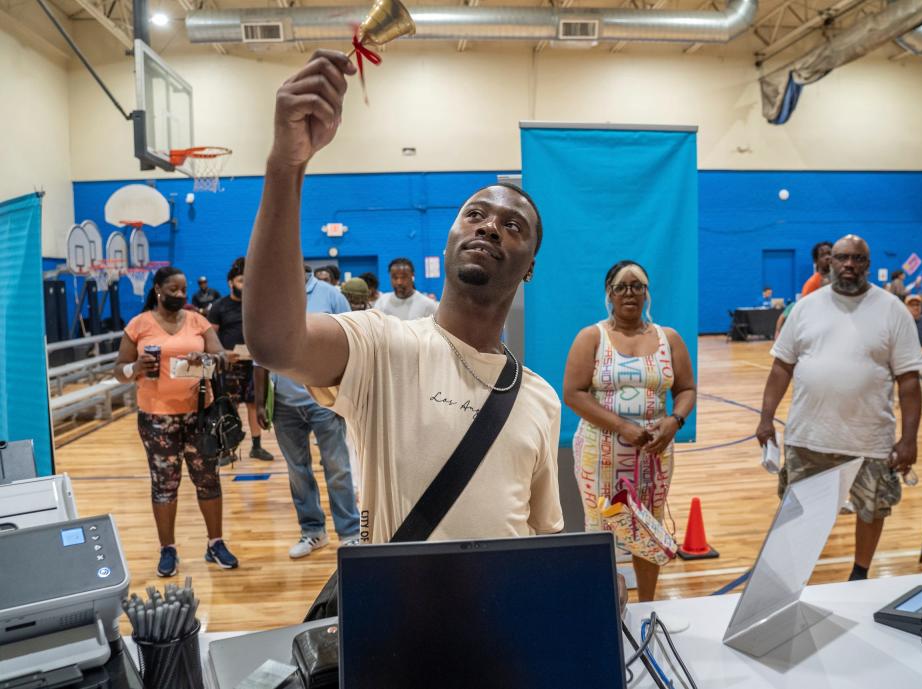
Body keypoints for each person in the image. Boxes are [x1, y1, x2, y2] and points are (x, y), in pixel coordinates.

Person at [244, 50, 563, 549]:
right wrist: (286, 166)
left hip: (500, 621)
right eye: (475, 214)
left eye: (512, 225)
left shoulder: (539, 398)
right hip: (398, 620)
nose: (490, 226)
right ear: (449, 240)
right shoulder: (381, 343)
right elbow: (276, 343)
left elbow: (543, 536)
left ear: (531, 267)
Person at [757, 235, 922, 582]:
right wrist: (766, 418)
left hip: (870, 438)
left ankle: (859, 574)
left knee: (872, 508)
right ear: (829, 261)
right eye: (842, 257)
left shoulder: (893, 310)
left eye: (858, 259)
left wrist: (909, 439)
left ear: (867, 264)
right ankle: (793, 577)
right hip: (809, 436)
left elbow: (909, 381)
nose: (849, 264)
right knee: (798, 510)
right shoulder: (805, 307)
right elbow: (781, 368)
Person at [563, 260, 696, 601]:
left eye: (637, 286)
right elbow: (573, 393)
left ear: (647, 293)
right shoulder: (592, 337)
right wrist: (623, 426)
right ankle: (604, 607)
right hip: (600, 456)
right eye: (621, 286)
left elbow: (686, 389)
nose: (630, 293)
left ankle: (648, 606)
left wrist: (674, 421)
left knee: (647, 528)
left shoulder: (670, 339)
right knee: (602, 530)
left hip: (654, 456)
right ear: (609, 293)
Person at [113, 266, 239, 576]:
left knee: (208, 480)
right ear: (157, 290)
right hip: (157, 418)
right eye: (173, 290)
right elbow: (118, 370)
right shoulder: (139, 325)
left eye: (183, 290)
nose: (180, 295)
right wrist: (136, 367)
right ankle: (167, 548)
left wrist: (206, 359)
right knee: (164, 485)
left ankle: (215, 543)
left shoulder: (198, 321)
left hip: (200, 415)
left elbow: (222, 357)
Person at [253, 270, 360, 558]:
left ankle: (350, 533)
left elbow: (354, 346)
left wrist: (345, 396)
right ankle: (313, 532)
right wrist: (260, 402)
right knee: (298, 472)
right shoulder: (271, 299)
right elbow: (259, 356)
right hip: (285, 404)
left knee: (337, 468)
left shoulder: (331, 295)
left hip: (324, 400)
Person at [208, 257, 274, 462]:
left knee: (255, 404)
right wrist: (223, 354)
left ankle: (256, 446)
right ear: (231, 283)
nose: (244, 286)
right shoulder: (219, 307)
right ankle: (228, 450)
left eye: (248, 282)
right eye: (240, 281)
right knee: (230, 407)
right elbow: (211, 338)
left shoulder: (255, 305)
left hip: (254, 365)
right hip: (229, 366)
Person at [372, 257, 439, 320]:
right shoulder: (382, 303)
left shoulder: (428, 305)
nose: (399, 282)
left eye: (403, 277)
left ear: (412, 276)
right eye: (395, 277)